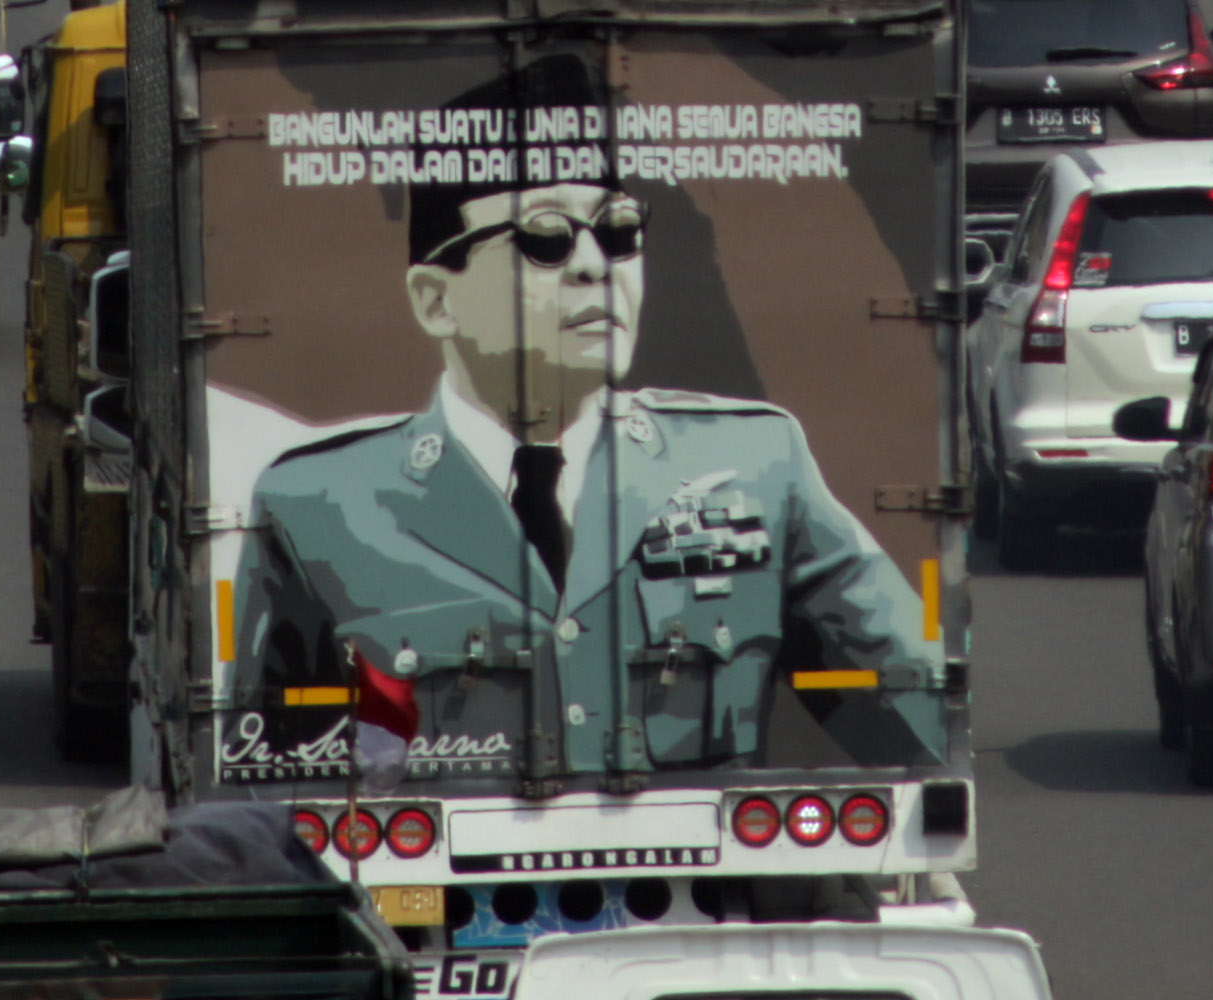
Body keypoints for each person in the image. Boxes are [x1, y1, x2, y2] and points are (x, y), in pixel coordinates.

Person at [228, 60, 942, 782]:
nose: (595, 265)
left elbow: (923, 709)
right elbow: (259, 780)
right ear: (436, 300)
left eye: (619, 230)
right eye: (545, 239)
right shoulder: (318, 506)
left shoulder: (757, 462)